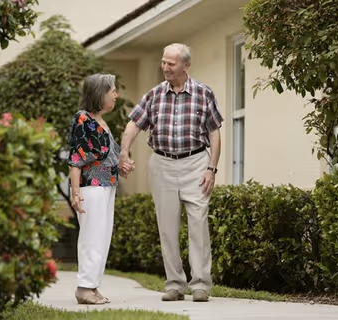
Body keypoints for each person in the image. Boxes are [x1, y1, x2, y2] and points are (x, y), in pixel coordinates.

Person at [119, 43, 223, 302]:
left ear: (186, 66)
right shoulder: (154, 95)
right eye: (163, 62)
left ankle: (200, 284)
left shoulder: (203, 93)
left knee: (198, 223)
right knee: (166, 226)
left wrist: (212, 168)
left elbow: (214, 131)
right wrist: (124, 151)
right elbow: (134, 124)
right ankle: (175, 284)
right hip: (163, 164)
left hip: (196, 162)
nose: (165, 67)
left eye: (171, 63)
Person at [68, 73, 134, 304]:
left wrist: (122, 167)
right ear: (99, 93)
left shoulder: (100, 122)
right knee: (91, 238)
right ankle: (84, 288)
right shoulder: (83, 119)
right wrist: (75, 193)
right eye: (112, 90)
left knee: (102, 238)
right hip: (90, 187)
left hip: (106, 186)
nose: (116, 94)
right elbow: (76, 159)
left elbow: (106, 158)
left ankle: (92, 286)